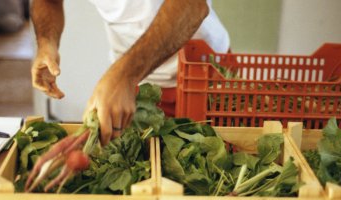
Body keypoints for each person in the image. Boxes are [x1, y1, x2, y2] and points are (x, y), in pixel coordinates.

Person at [31, 0, 229, 145]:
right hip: (138, 87)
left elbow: (192, 5)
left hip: (206, 76)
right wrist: (47, 42)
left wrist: (124, 77)